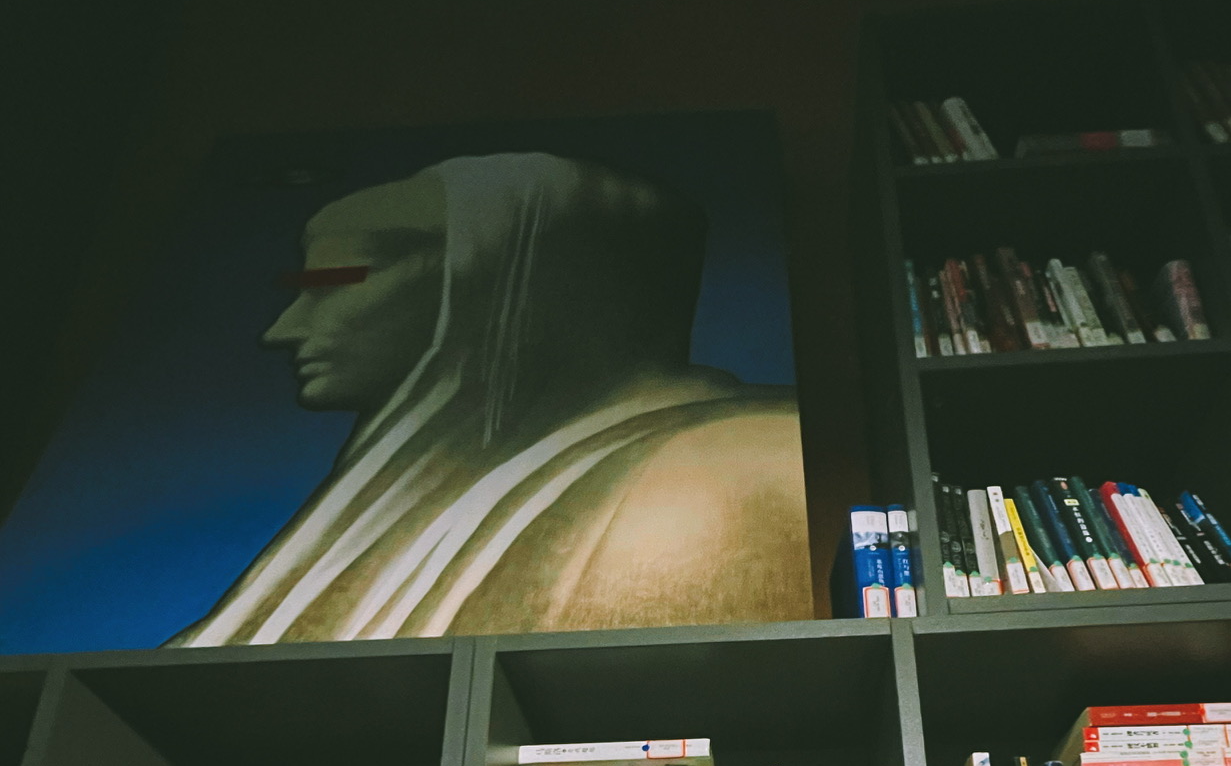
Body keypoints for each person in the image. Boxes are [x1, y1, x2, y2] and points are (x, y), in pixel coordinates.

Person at [174, 152, 810, 644]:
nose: (282, 330)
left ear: (497, 280)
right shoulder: (397, 509)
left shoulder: (729, 469)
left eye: (334, 283)